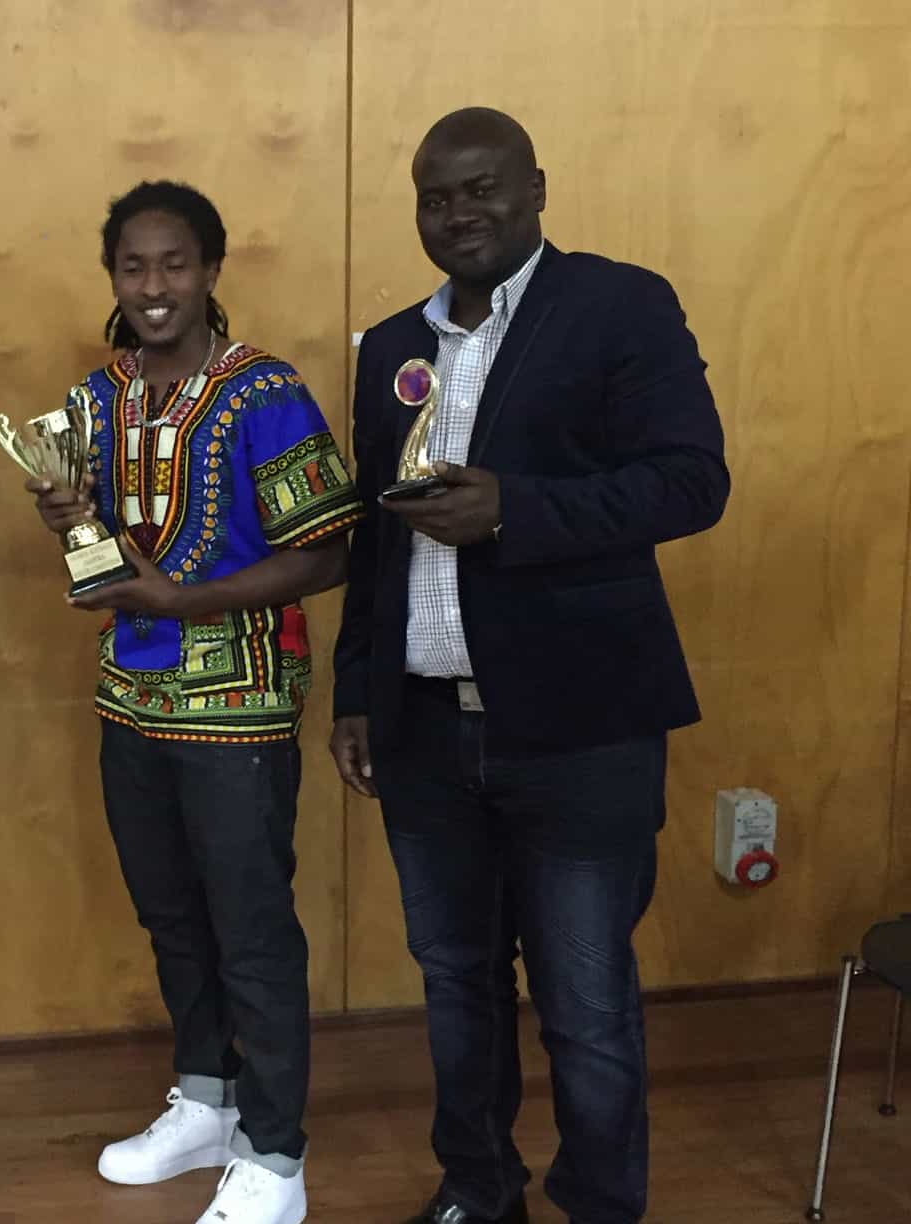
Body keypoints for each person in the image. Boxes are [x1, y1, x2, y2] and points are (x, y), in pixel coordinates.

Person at [330, 108, 729, 1224]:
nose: (458, 213)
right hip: (422, 728)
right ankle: (478, 1188)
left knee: (585, 1001)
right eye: (435, 197)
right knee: (457, 984)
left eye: (482, 188)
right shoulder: (391, 348)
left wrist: (516, 510)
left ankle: (600, 1202)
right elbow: (373, 539)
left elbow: (692, 481)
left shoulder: (618, 306)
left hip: (581, 728)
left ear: (537, 188)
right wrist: (357, 692)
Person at [29, 180, 364, 1224]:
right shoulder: (97, 398)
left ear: (212, 270)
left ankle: (276, 1153)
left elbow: (328, 551)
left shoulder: (265, 392)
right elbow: (101, 556)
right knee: (171, 914)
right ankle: (208, 1100)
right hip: (129, 696)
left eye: (174, 263)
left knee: (251, 926)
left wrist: (184, 599)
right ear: (112, 277)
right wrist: (67, 517)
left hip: (242, 707)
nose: (154, 285)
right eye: (133, 266)